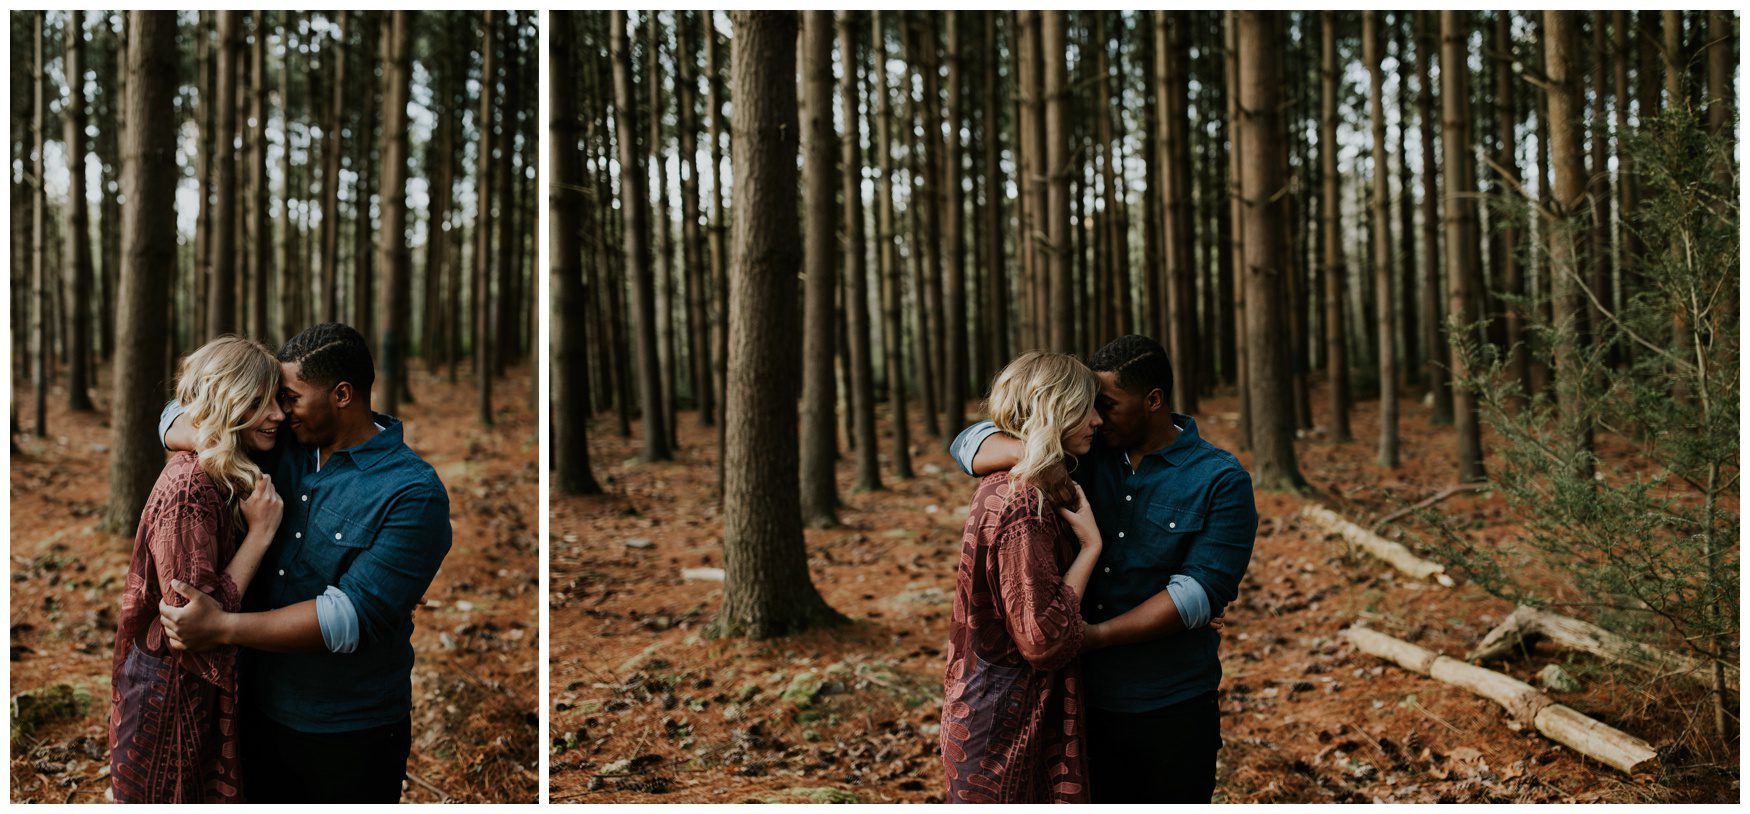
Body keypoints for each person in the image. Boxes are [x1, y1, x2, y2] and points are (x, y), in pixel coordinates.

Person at [949, 335, 1259, 803]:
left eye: (1107, 405)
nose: (1095, 417)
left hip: (1170, 702)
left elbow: (1199, 594)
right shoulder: (1083, 453)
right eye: (1089, 405)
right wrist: (1031, 457)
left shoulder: (1220, 478)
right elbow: (967, 442)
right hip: (1076, 703)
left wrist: (1091, 637)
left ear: (1153, 400)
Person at [155, 323, 452, 803]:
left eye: (290, 398)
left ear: (341, 395)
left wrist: (221, 627)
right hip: (253, 708)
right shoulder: (283, 444)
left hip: (349, 732)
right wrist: (208, 438)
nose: (278, 411)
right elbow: (179, 411)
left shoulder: (413, 493)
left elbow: (347, 618)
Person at [109, 336, 286, 803]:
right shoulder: (192, 489)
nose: (277, 415)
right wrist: (261, 534)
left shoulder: (225, 471)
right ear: (229, 400)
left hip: (195, 699)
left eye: (278, 399)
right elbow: (191, 628)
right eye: (260, 401)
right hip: (170, 705)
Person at [940, 351, 1106, 804]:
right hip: (1006, 737)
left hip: (992, 715)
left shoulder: (1008, 482)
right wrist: (1091, 547)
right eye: (1085, 408)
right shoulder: (1025, 503)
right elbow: (1043, 638)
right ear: (1055, 409)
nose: (1097, 421)